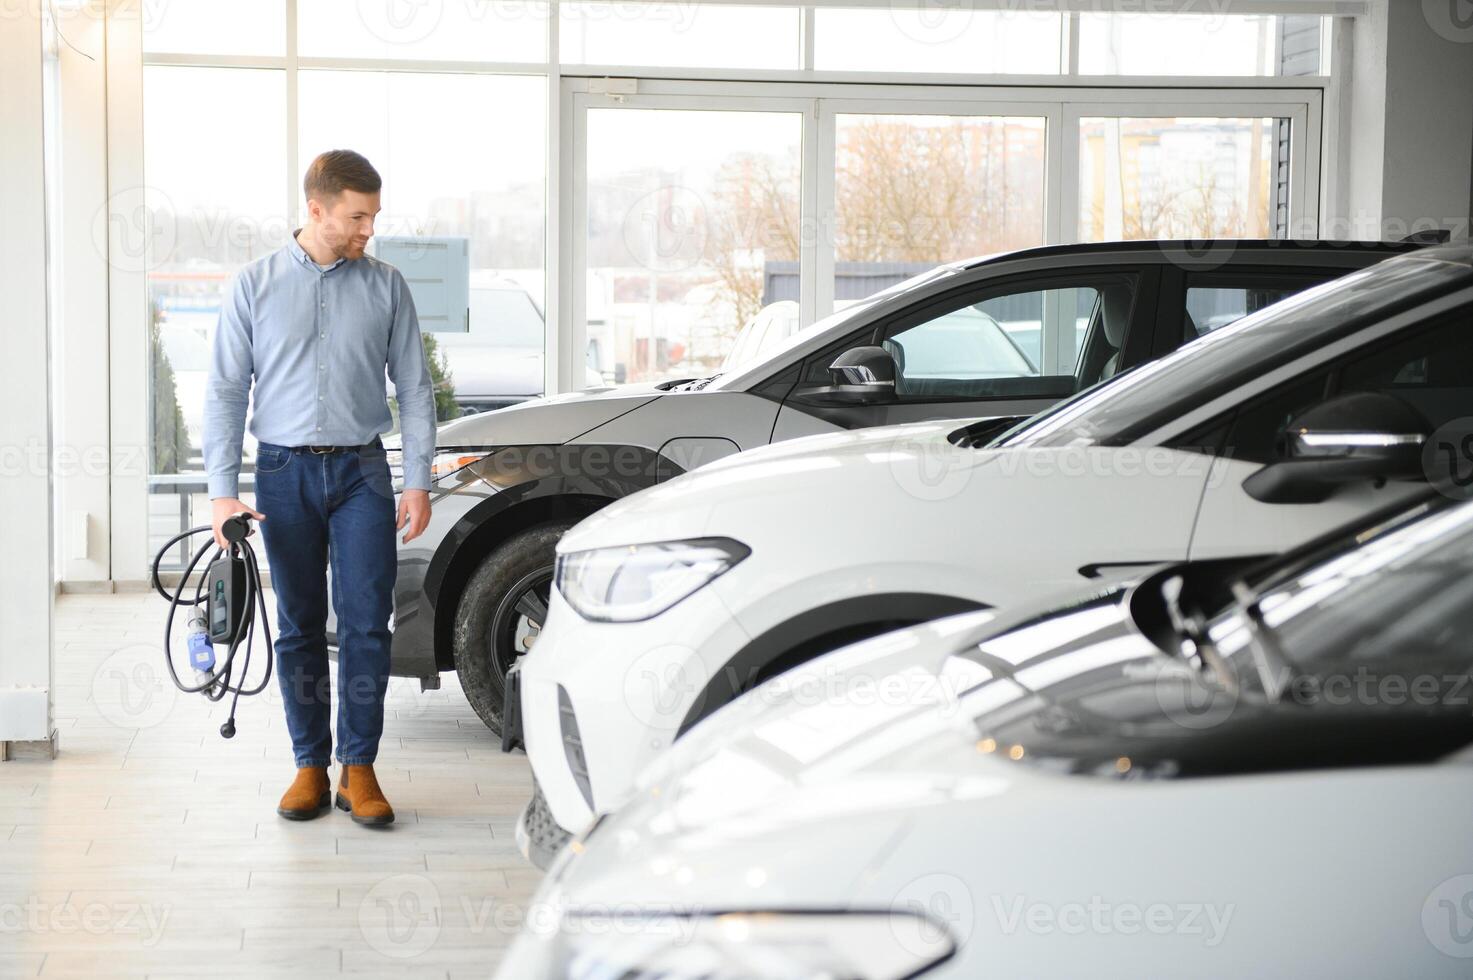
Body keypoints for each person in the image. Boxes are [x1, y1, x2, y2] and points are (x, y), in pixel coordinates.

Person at [202, 149, 437, 827]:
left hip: (364, 471)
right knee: (300, 625)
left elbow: (415, 390)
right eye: (357, 216)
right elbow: (224, 391)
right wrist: (223, 493)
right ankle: (310, 764)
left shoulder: (387, 286)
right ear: (316, 208)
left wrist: (416, 480)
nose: (368, 229)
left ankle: (358, 769)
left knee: (367, 620)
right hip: (282, 472)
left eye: (373, 215)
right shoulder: (254, 285)